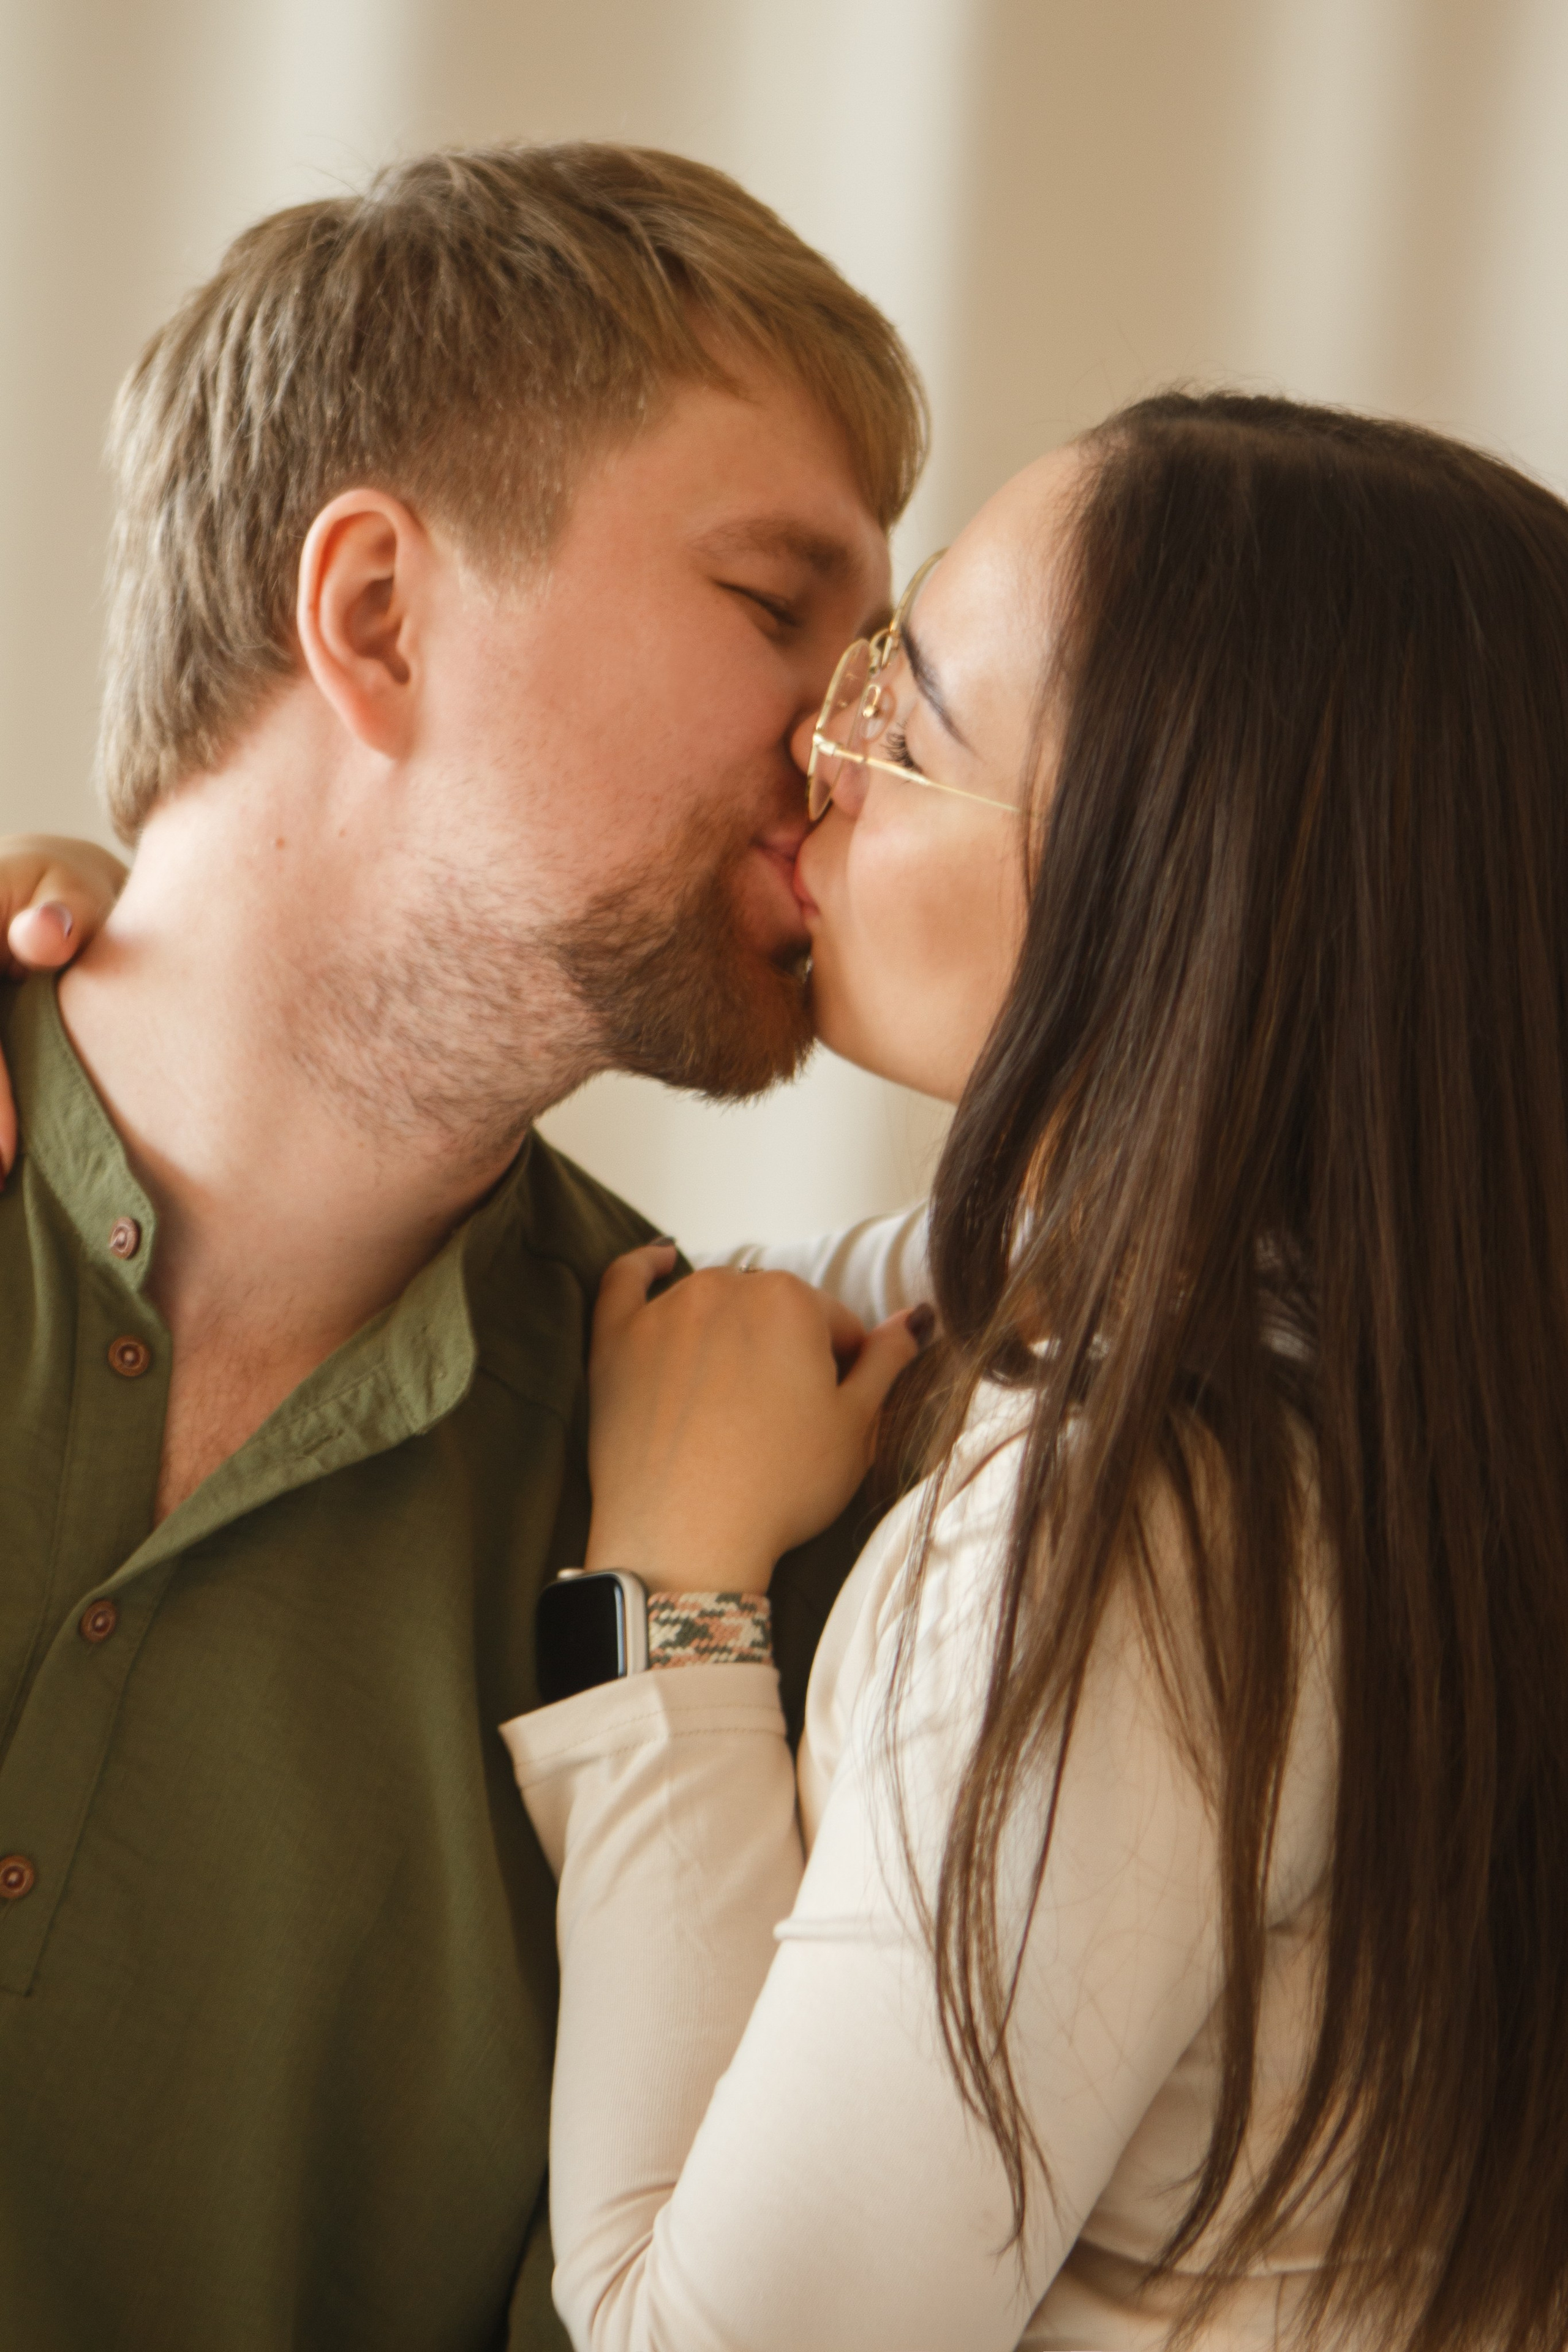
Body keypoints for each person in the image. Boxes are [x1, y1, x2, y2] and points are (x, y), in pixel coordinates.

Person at [486, 396, 1568, 2350]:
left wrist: (667, 1610)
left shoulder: (1153, 1523)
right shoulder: (1429, 1361)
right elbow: (706, 1308)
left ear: (1193, 897)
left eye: (909, 725)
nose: (818, 762)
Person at [0, 141, 927, 2351]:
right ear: (380, 614)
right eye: (773, 606)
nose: (852, 750)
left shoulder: (728, 1550)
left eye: (879, 660)